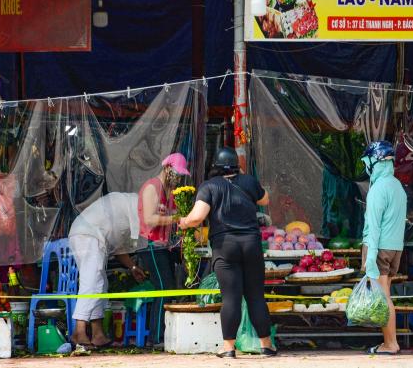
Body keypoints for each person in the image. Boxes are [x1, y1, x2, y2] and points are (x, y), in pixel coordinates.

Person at [179, 147, 276, 358]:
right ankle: (266, 345)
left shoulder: (209, 186)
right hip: (251, 244)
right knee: (256, 297)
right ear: (236, 165)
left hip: (225, 246)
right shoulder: (249, 182)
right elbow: (265, 199)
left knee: (231, 298)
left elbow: (197, 217)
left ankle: (229, 348)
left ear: (215, 166)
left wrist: (183, 222)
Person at [68, 192, 147, 348]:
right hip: (88, 235)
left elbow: (119, 249)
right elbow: (144, 228)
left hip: (88, 235)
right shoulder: (135, 203)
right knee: (92, 282)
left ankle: (97, 334)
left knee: (100, 284)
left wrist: (132, 267)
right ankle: (79, 331)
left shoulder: (125, 212)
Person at [137, 152, 190, 345]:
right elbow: (150, 220)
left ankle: (162, 335)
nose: (178, 177)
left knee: (169, 287)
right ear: (167, 168)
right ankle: (156, 337)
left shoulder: (170, 191)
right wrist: (177, 219)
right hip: (150, 245)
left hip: (162, 246)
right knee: (163, 288)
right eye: (176, 172)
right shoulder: (152, 187)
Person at [360, 140, 407, 355]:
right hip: (395, 247)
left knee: (383, 296)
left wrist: (370, 259)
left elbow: (374, 227)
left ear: (374, 161)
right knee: (385, 294)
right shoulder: (397, 186)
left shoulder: (378, 188)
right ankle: (389, 342)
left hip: (380, 247)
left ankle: (390, 343)